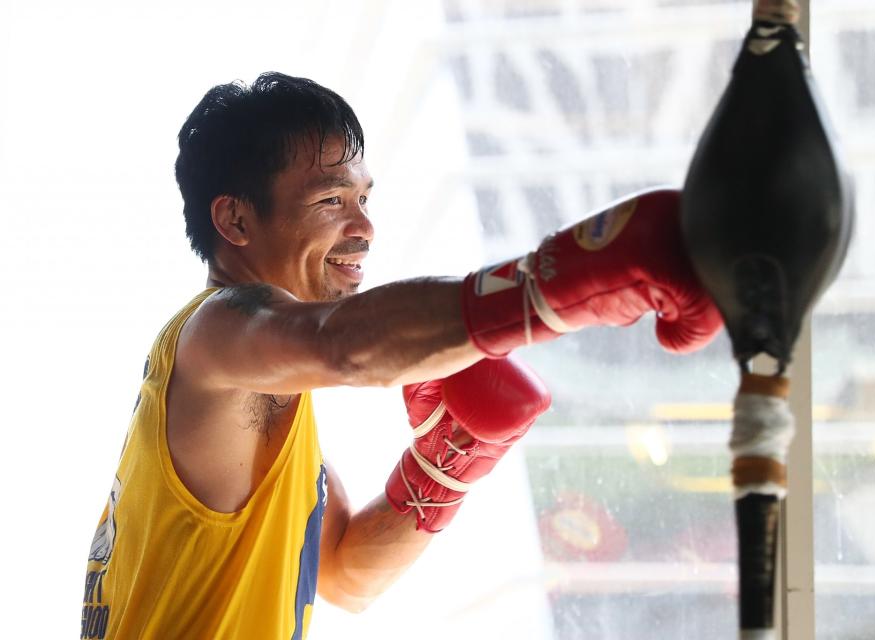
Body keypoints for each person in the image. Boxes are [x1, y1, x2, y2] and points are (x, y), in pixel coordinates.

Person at [80, 71, 723, 640]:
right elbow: (343, 343)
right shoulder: (214, 334)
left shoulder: (260, 397)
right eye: (331, 199)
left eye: (364, 199)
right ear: (236, 220)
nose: (363, 227)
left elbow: (344, 575)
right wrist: (551, 286)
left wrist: (443, 466)